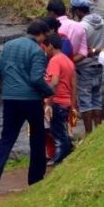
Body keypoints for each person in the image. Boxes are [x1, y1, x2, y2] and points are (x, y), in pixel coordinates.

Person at [0, 19, 55, 195]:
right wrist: (49, 92)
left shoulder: (9, 45)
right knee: (37, 138)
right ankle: (35, 178)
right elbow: (36, 79)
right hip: (30, 99)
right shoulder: (37, 51)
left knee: (7, 137)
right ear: (41, 34)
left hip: (9, 98)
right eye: (45, 36)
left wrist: (9, 84)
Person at [69, 0, 104, 134]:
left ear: (78, 11)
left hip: (84, 66)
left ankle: (89, 135)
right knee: (97, 100)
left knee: (86, 102)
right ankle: (99, 133)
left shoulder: (81, 26)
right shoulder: (101, 22)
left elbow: (79, 48)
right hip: (98, 64)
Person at [42, 33, 77, 166]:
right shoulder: (68, 61)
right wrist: (73, 105)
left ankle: (58, 158)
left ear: (50, 46)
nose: (45, 50)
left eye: (45, 47)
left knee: (57, 133)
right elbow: (74, 85)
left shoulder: (54, 60)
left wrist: (48, 103)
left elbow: (54, 82)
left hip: (56, 101)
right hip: (66, 101)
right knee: (61, 131)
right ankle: (66, 155)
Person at [47, 0, 88, 64]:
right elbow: (83, 53)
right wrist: (69, 63)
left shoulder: (51, 28)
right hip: (71, 69)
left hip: (53, 66)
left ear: (51, 13)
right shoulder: (79, 26)